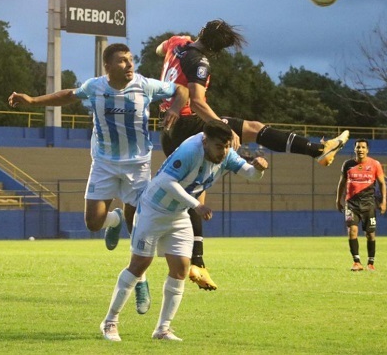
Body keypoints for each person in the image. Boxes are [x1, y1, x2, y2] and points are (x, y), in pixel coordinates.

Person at [157, 19, 349, 289]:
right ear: (216, 51)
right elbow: (198, 102)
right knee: (255, 129)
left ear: (201, 32)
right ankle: (317, 150)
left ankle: (198, 263)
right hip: (187, 123)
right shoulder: (200, 62)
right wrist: (223, 127)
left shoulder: (177, 43)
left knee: (196, 195)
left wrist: (175, 58)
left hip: (167, 128)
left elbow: (159, 49)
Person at [8, 43, 187, 314]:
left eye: (130, 60)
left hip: (137, 166)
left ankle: (141, 279)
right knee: (93, 223)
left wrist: (175, 108)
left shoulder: (145, 85)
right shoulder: (95, 87)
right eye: (122, 61)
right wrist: (33, 100)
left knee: (137, 226)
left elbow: (182, 90)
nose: (129, 65)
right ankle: (111, 220)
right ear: (108, 67)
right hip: (103, 164)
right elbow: (67, 95)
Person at [100, 119, 268, 342]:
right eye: (220, 147)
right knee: (139, 265)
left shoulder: (225, 153)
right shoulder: (191, 149)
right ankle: (109, 322)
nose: (224, 152)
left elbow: (250, 174)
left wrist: (259, 169)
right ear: (206, 140)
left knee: (180, 268)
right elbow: (167, 182)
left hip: (178, 214)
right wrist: (196, 204)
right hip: (154, 209)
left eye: (227, 146)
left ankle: (162, 329)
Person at [336, 139, 387, 272]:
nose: (360, 149)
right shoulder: (347, 164)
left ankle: (371, 262)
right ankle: (356, 262)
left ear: (367, 150)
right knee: (352, 231)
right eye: (358, 147)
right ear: (354, 149)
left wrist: (384, 201)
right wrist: (338, 200)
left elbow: (382, 184)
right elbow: (342, 183)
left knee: (370, 234)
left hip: (368, 204)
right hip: (351, 203)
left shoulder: (375, 164)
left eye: (363, 147)